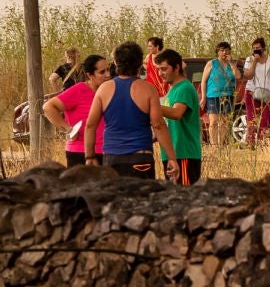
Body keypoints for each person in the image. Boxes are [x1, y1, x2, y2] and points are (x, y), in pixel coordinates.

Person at [86, 40, 172, 180]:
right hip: (140, 157)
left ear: (115, 63)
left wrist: (89, 156)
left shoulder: (104, 89)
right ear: (139, 64)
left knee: (116, 200)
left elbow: (90, 125)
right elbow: (158, 126)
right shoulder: (148, 89)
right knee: (142, 200)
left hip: (112, 158)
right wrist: (171, 158)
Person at [42, 52, 109, 167]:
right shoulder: (79, 90)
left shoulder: (109, 91)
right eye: (102, 72)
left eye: (108, 70)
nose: (108, 74)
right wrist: (68, 129)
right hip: (80, 153)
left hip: (107, 152)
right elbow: (48, 107)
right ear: (90, 75)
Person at [156, 48, 203, 185]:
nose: (160, 74)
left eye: (164, 69)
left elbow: (176, 113)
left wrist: (151, 106)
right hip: (172, 155)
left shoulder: (184, 88)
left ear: (176, 67)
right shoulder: (172, 90)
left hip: (183, 153)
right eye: (159, 69)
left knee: (185, 198)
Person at [243, 37, 270, 145]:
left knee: (264, 119)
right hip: (251, 92)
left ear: (263, 48)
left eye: (258, 48)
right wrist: (255, 60)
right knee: (252, 119)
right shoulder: (249, 59)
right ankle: (250, 143)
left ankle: (261, 142)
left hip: (266, 93)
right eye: (254, 48)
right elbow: (248, 76)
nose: (256, 50)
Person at [202, 41, 237, 146]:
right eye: (222, 50)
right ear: (217, 52)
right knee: (213, 121)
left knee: (224, 122)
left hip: (228, 95)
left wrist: (231, 63)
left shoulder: (232, 64)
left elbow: (238, 76)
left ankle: (220, 144)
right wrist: (204, 97)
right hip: (213, 95)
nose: (224, 52)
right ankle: (214, 145)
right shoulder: (211, 63)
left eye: (226, 50)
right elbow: (203, 81)